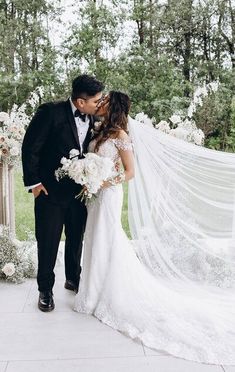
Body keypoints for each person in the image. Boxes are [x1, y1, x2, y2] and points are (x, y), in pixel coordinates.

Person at [74, 91, 235, 365]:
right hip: (96, 195)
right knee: (94, 238)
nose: (99, 104)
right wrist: (89, 175)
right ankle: (90, 289)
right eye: (98, 102)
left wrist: (103, 182)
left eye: (104, 103)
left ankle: (104, 292)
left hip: (109, 193)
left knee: (107, 237)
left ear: (114, 108)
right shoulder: (100, 131)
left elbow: (129, 172)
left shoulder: (122, 137)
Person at [21, 74, 104, 312]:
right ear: (80, 102)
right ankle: (45, 290)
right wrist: (35, 184)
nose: (99, 104)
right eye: (95, 101)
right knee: (48, 241)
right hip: (50, 192)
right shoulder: (50, 112)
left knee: (76, 237)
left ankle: (73, 278)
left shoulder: (95, 118)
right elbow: (30, 148)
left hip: (80, 192)